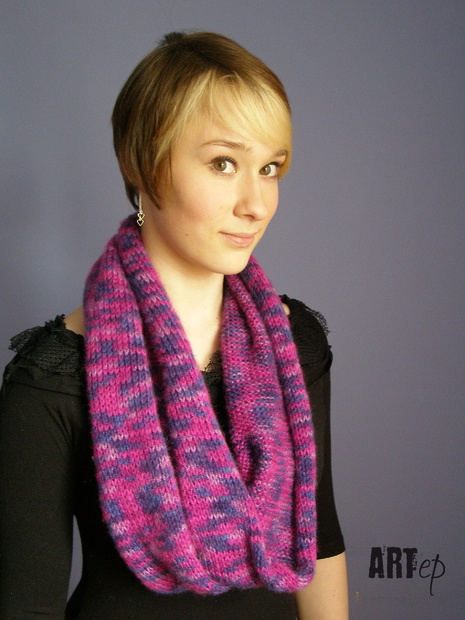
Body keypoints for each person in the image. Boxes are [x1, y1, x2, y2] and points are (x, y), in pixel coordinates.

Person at [0, 32, 348, 619]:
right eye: (223, 163)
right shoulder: (52, 378)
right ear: (142, 164)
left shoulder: (293, 342)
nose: (257, 203)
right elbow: (27, 604)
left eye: (269, 168)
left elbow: (318, 536)